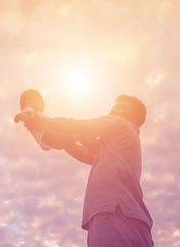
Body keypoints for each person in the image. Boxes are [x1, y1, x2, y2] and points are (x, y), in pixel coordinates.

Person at [23, 94, 154, 247]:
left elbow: (79, 127)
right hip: (136, 222)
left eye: (120, 107)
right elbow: (87, 151)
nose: (113, 109)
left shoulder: (118, 123)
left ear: (132, 116)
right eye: (113, 106)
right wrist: (57, 139)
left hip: (114, 213)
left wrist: (40, 121)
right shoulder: (123, 139)